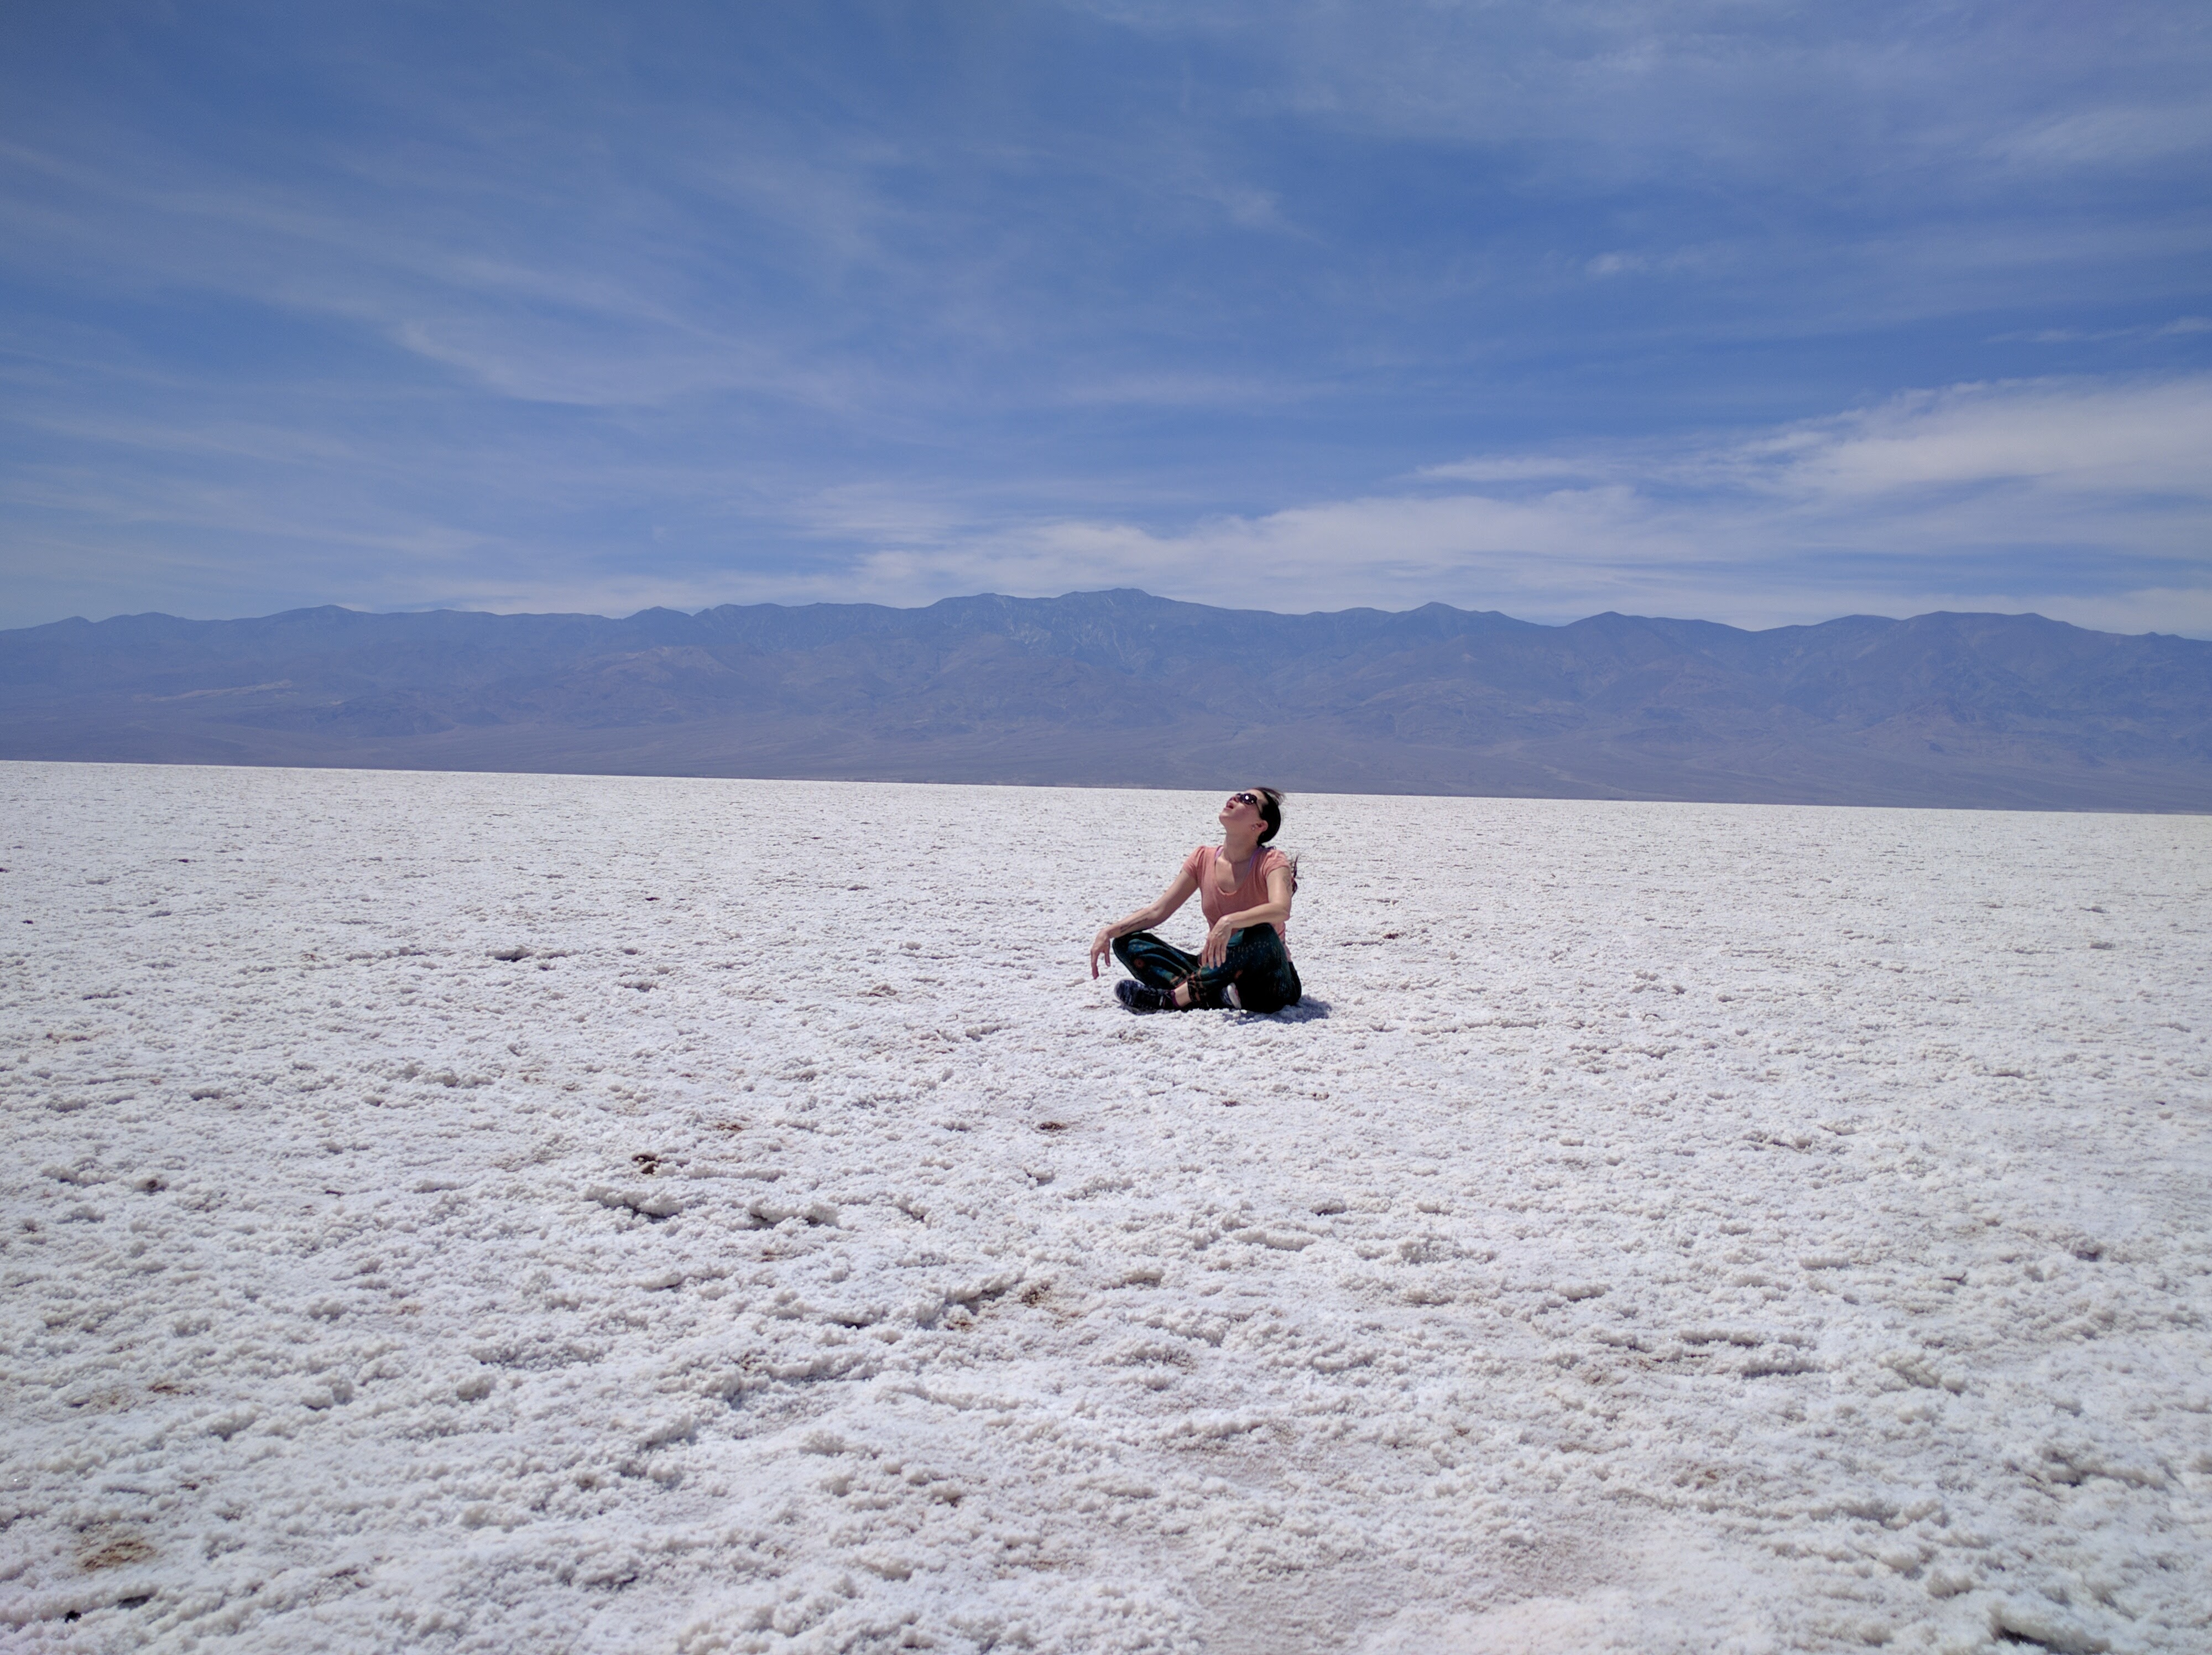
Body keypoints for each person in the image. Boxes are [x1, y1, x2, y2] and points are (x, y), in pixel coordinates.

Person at [1088, 788, 1302, 1013]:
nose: (1236, 798)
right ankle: (1216, 997)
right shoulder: (1203, 858)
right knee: (1127, 942)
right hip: (1214, 971)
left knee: (1259, 933)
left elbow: (1281, 909)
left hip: (1269, 980)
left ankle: (1172, 999)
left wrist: (1229, 921)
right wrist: (1110, 932)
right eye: (1238, 794)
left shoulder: (1271, 861)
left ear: (1259, 826)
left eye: (1248, 800)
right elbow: (1158, 911)